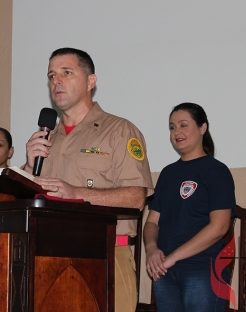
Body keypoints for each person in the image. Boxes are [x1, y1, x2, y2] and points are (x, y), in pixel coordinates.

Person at [24, 47, 153, 312]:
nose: (55, 81)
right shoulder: (45, 139)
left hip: (104, 255)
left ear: (90, 81)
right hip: (47, 257)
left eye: (66, 73)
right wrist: (28, 166)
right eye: (51, 76)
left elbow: (136, 198)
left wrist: (76, 194)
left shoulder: (119, 131)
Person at [143, 103, 236, 312]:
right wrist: (151, 250)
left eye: (183, 125)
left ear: (203, 127)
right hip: (165, 271)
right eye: (172, 127)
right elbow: (151, 222)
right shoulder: (167, 173)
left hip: (202, 270)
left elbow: (219, 227)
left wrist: (173, 257)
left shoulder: (217, 171)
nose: (177, 132)